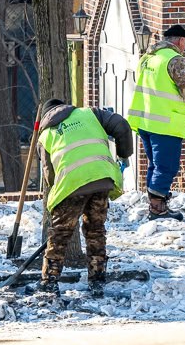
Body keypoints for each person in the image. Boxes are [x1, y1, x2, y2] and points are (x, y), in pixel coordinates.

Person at [37, 98, 134, 298]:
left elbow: (49, 175)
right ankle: (97, 280)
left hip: (71, 185)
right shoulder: (90, 114)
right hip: (102, 177)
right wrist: (123, 155)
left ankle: (49, 282)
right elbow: (122, 125)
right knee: (95, 230)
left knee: (60, 234)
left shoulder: (45, 136)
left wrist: (57, 201)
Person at [126, 24, 185, 221]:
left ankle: (156, 205)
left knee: (156, 165)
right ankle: (158, 209)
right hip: (166, 123)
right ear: (181, 41)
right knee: (166, 167)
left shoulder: (148, 58)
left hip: (145, 121)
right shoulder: (175, 60)